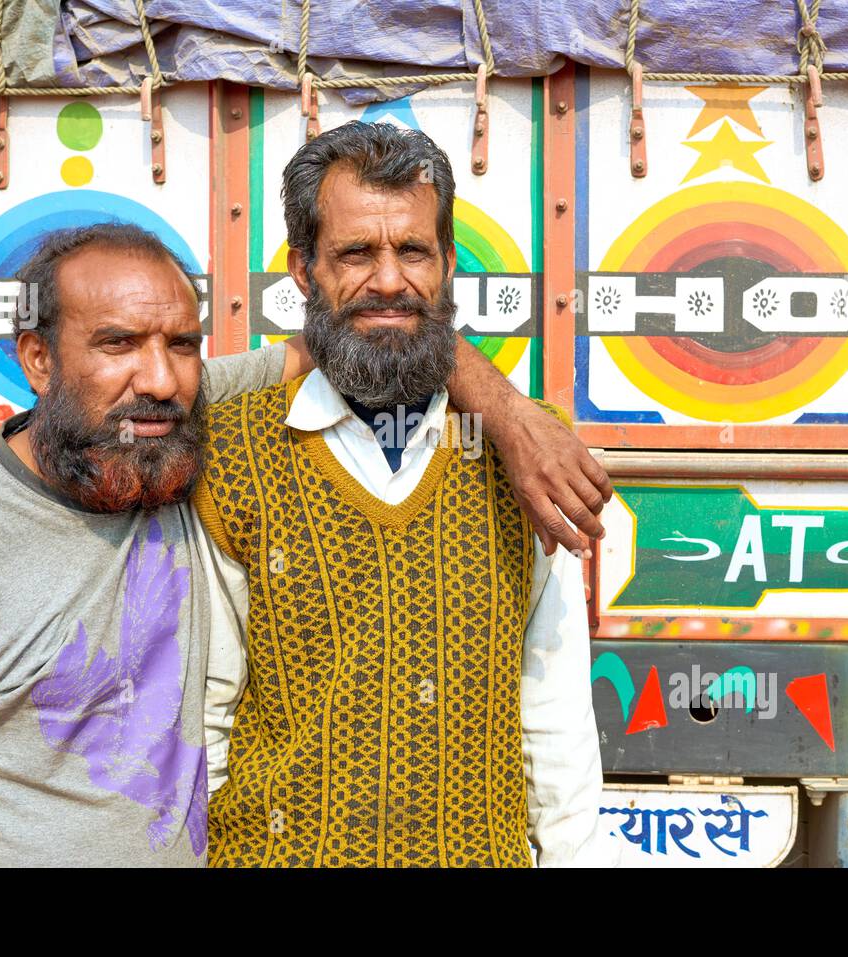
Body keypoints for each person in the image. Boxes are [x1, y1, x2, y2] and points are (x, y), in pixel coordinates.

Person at [0, 218, 612, 866]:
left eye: (184, 345)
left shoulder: (172, 431)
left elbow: (375, 330)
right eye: (117, 343)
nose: (159, 376)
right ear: (36, 358)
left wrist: (508, 415)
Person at [195, 121, 608, 867]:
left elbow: (555, 718)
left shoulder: (528, 458)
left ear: (447, 264)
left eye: (412, 251)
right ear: (303, 270)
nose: (389, 280)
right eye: (356, 253)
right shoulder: (234, 450)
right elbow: (202, 721)